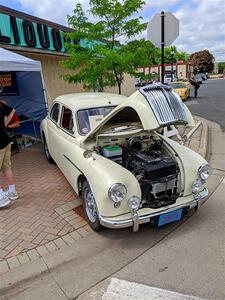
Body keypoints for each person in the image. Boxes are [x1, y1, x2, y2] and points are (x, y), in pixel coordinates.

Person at [0, 101, 19, 208]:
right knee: (7, 168)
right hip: (6, 140)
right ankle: (12, 192)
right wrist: (4, 125)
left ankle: (1, 198)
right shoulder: (0, 104)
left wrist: (4, 124)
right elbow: (12, 110)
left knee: (7, 168)